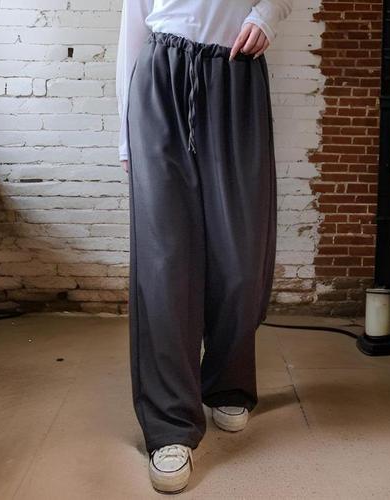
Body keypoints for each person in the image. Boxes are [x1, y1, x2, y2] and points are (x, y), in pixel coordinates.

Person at [116, 0, 292, 494]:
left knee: (242, 256)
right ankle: (170, 423)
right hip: (161, 79)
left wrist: (266, 15)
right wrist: (126, 138)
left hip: (235, 77)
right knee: (164, 260)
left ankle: (227, 382)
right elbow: (132, 31)